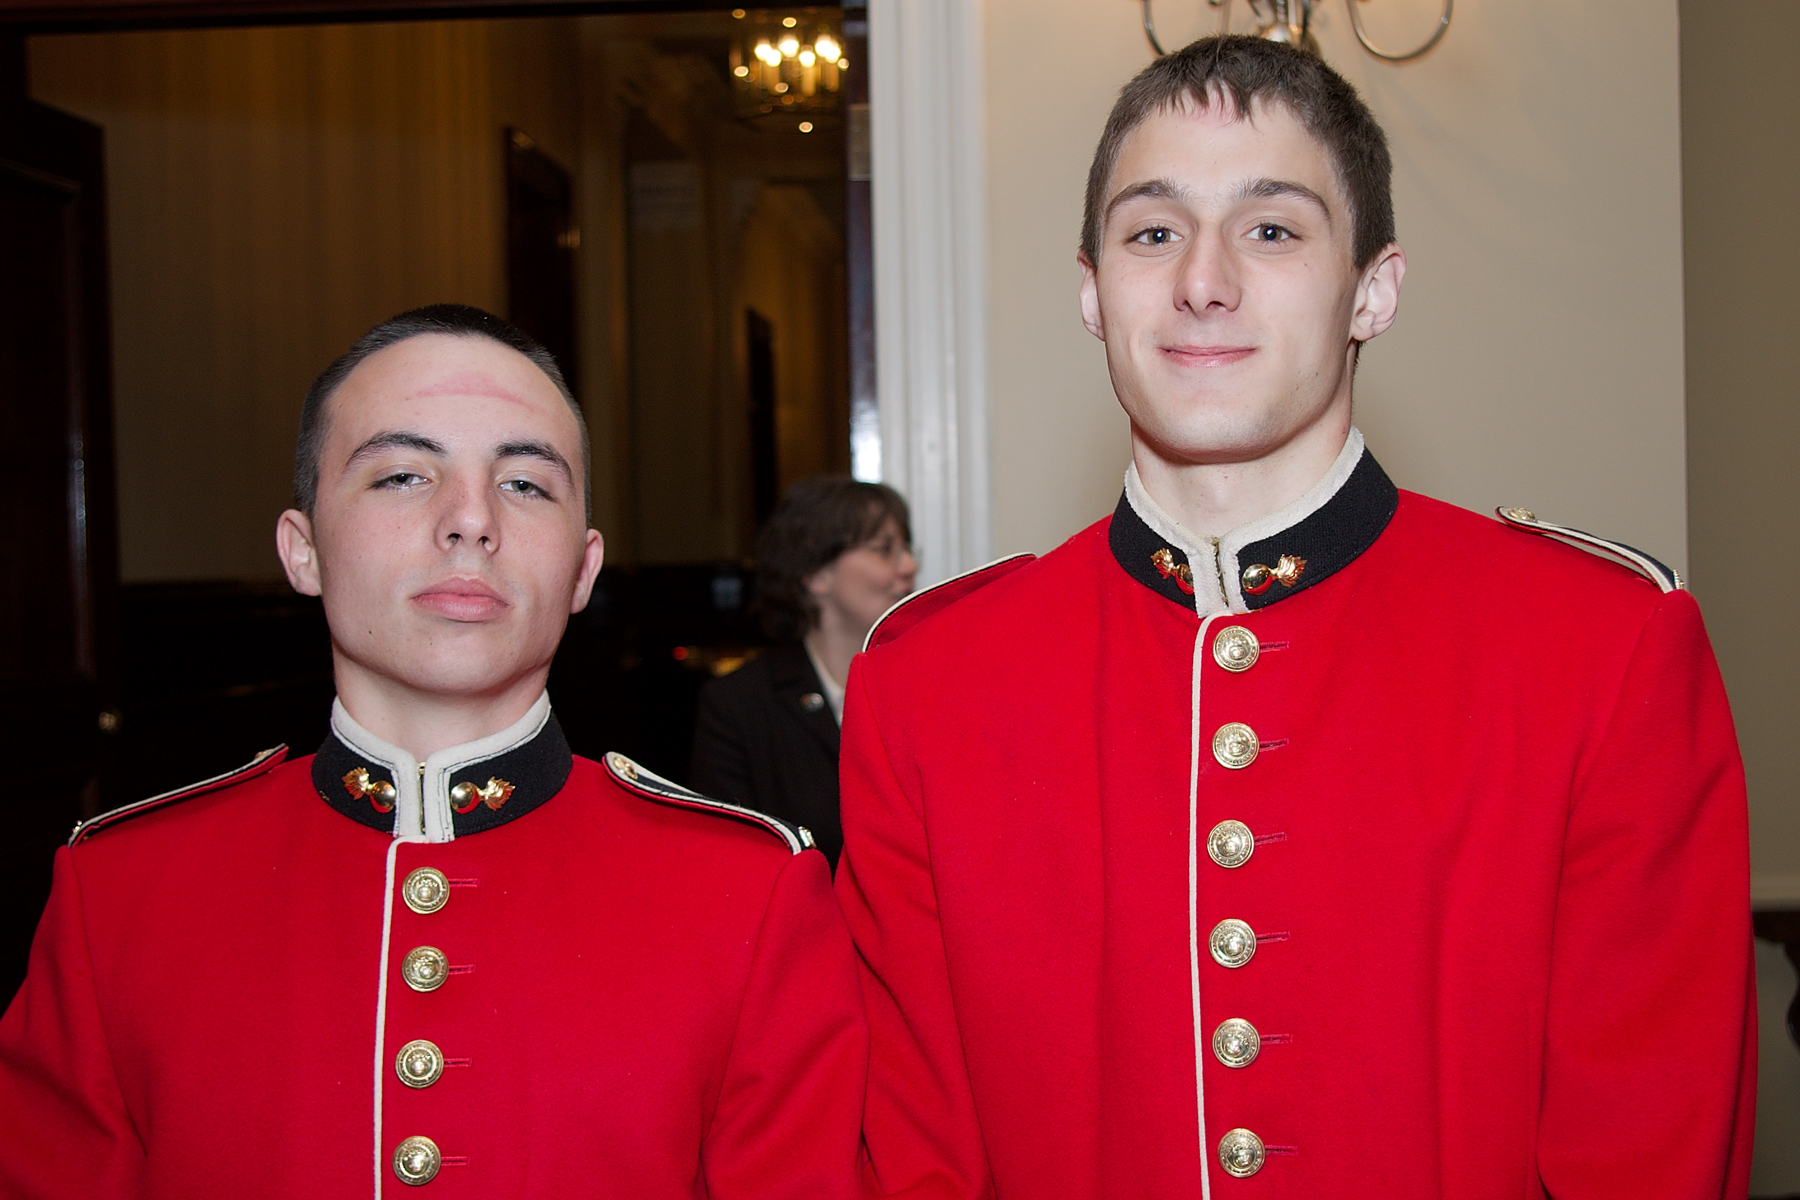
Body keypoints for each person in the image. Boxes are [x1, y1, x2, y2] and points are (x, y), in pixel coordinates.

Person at [835, 37, 1754, 1198]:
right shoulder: (932, 687)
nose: (1202, 280)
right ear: (1092, 290)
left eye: (1271, 229)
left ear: (1374, 289)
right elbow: (915, 1158)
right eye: (1152, 232)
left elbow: (1650, 1154)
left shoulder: (1601, 650)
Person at [0, 305, 867, 1198]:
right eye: (404, 475)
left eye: (524, 484)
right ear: (303, 550)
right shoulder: (119, 895)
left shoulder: (748, 900)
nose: (470, 520)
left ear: (582, 570)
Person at [690, 476, 916, 869]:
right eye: (885, 550)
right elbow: (725, 864)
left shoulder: (928, 687)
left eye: (907, 549)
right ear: (815, 575)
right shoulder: (738, 708)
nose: (909, 566)